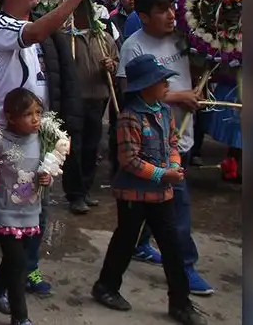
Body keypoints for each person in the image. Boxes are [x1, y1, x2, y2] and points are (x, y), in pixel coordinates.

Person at [0, 0, 88, 297]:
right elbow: (38, 31)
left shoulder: (30, 32)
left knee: (36, 204)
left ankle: (25, 269)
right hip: (8, 137)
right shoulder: (1, 26)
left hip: (36, 132)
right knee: (10, 209)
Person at [91, 54, 208, 325]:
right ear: (145, 86)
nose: (167, 85)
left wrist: (175, 166)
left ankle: (180, 302)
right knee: (125, 240)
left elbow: (173, 143)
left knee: (172, 244)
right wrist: (162, 174)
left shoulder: (165, 112)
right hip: (134, 195)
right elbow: (129, 161)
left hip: (162, 193)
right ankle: (106, 286)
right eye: (161, 81)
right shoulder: (129, 118)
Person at [116, 0, 213, 296]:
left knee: (157, 205)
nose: (172, 14)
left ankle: (142, 243)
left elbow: (193, 70)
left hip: (179, 135)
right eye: (162, 10)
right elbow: (129, 91)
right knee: (177, 208)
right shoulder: (134, 46)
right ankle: (185, 266)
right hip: (152, 144)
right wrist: (178, 96)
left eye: (173, 7)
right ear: (143, 16)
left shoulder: (181, 38)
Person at [0, 88, 53, 325]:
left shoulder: (43, 138)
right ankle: (20, 317)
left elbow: (48, 167)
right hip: (5, 213)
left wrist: (48, 177)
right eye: (27, 114)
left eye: (38, 112)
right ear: (12, 117)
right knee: (18, 264)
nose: (35, 119)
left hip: (31, 213)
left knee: (16, 260)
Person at [62, 0, 119, 215]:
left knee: (92, 147)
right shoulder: (66, 38)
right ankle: (75, 194)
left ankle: (85, 189)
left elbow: (116, 62)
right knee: (74, 148)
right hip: (75, 101)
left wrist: (111, 65)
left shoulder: (103, 38)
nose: (84, 14)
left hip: (98, 99)